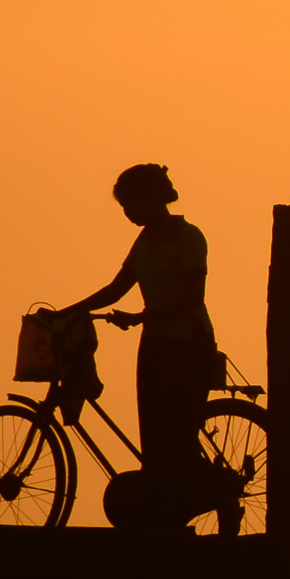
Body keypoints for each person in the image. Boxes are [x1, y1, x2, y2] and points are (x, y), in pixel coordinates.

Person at [58, 162, 219, 516]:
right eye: (124, 206)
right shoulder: (144, 241)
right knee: (154, 434)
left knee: (178, 432)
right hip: (155, 345)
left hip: (189, 344)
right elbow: (116, 288)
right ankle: (169, 510)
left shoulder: (189, 236)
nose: (128, 212)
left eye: (130, 203)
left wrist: (139, 317)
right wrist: (66, 312)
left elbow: (193, 298)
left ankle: (213, 494)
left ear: (152, 197)